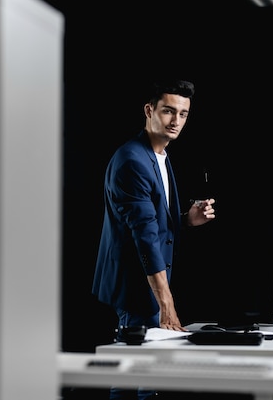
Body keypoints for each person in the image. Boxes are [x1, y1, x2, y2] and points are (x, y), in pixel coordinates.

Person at [91, 79, 216, 400]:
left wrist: (186, 219)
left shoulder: (159, 155)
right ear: (149, 111)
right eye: (168, 111)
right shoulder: (133, 160)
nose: (176, 121)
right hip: (136, 285)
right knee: (136, 379)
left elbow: (154, 220)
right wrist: (166, 301)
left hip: (148, 281)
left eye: (184, 114)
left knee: (144, 375)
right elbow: (144, 234)